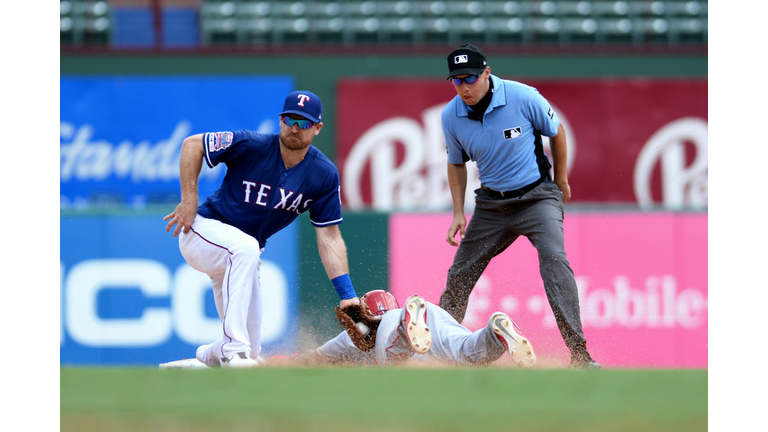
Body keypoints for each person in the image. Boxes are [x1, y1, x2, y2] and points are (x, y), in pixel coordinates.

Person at [163, 90, 360, 368]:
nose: (295, 128)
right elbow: (192, 144)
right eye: (290, 119)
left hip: (241, 256)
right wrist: (189, 199)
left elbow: (329, 237)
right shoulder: (251, 143)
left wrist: (347, 294)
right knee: (246, 251)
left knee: (253, 352)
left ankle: (207, 357)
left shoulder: (323, 174)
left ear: (317, 129)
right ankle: (233, 348)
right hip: (204, 232)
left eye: (303, 123)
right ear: (280, 120)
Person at [439, 44, 600, 369]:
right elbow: (455, 164)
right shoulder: (450, 115)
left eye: (470, 78)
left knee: (555, 261)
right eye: (456, 80)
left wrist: (563, 179)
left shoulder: (523, 96)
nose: (464, 87)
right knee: (459, 276)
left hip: (537, 197)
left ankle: (580, 354)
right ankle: (441, 355)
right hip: (490, 206)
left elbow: (557, 132)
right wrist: (458, 211)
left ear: (486, 73)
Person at [294, 290, 536, 367]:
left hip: (400, 322)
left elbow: (314, 359)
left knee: (394, 357)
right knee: (469, 352)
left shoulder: (354, 337)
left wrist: (290, 360)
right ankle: (494, 330)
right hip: (432, 314)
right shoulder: (418, 314)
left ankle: (403, 330)